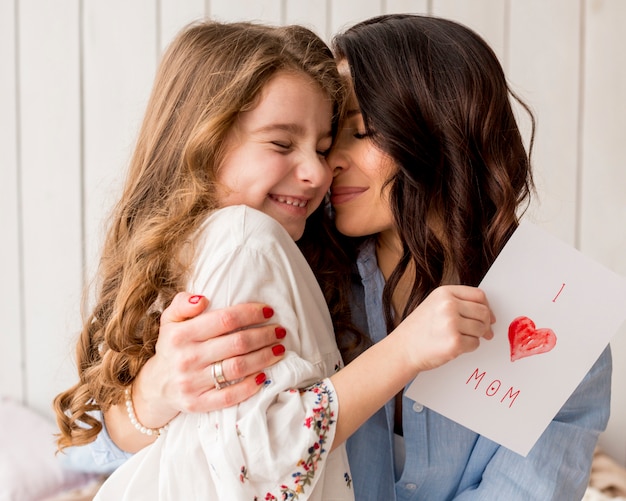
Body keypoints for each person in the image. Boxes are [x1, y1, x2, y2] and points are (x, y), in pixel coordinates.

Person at [62, 14, 611, 500]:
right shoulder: (277, 255)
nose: (325, 167)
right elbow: (87, 452)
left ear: (437, 133)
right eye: (326, 142)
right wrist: (159, 390)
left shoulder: (558, 314)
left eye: (355, 133)